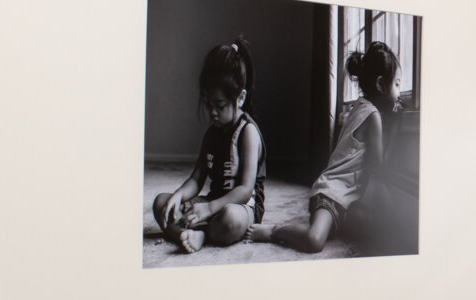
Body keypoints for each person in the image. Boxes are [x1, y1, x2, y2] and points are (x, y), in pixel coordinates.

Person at [250, 41, 399, 253]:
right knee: (314, 240)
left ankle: (336, 223)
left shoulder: (359, 106)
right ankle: (274, 230)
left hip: (347, 196)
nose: (399, 92)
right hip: (331, 192)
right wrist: (393, 125)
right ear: (381, 84)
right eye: (397, 84)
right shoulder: (373, 116)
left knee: (373, 226)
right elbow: (379, 166)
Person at [154, 38, 266, 253]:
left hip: (242, 207)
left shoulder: (248, 132)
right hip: (212, 203)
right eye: (208, 103)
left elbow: (245, 190)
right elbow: (197, 179)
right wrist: (178, 195)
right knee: (162, 204)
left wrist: (209, 208)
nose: (212, 112)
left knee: (231, 219)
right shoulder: (212, 132)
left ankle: (200, 234)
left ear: (240, 98)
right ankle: (192, 233)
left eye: (220, 105)